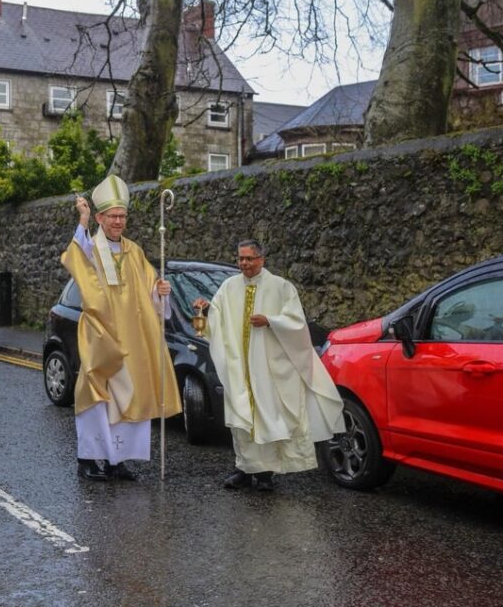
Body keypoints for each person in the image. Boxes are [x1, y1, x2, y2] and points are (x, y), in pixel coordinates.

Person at [193, 240, 346, 491]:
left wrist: (271, 321)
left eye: (249, 259)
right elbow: (218, 316)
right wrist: (207, 309)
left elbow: (296, 323)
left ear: (261, 260)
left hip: (269, 367)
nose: (244, 263)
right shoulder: (228, 286)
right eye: (240, 258)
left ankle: (266, 474)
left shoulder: (281, 287)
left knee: (268, 418)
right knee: (243, 417)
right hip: (239, 365)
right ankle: (244, 468)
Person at [61, 175, 181, 482]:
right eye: (112, 216)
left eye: (122, 216)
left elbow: (148, 288)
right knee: (95, 394)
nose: (118, 221)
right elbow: (75, 258)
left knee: (130, 395)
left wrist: (160, 291)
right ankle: (89, 459)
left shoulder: (134, 251)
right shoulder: (91, 247)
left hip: (134, 338)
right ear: (100, 218)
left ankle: (119, 460)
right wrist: (83, 220)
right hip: (100, 335)